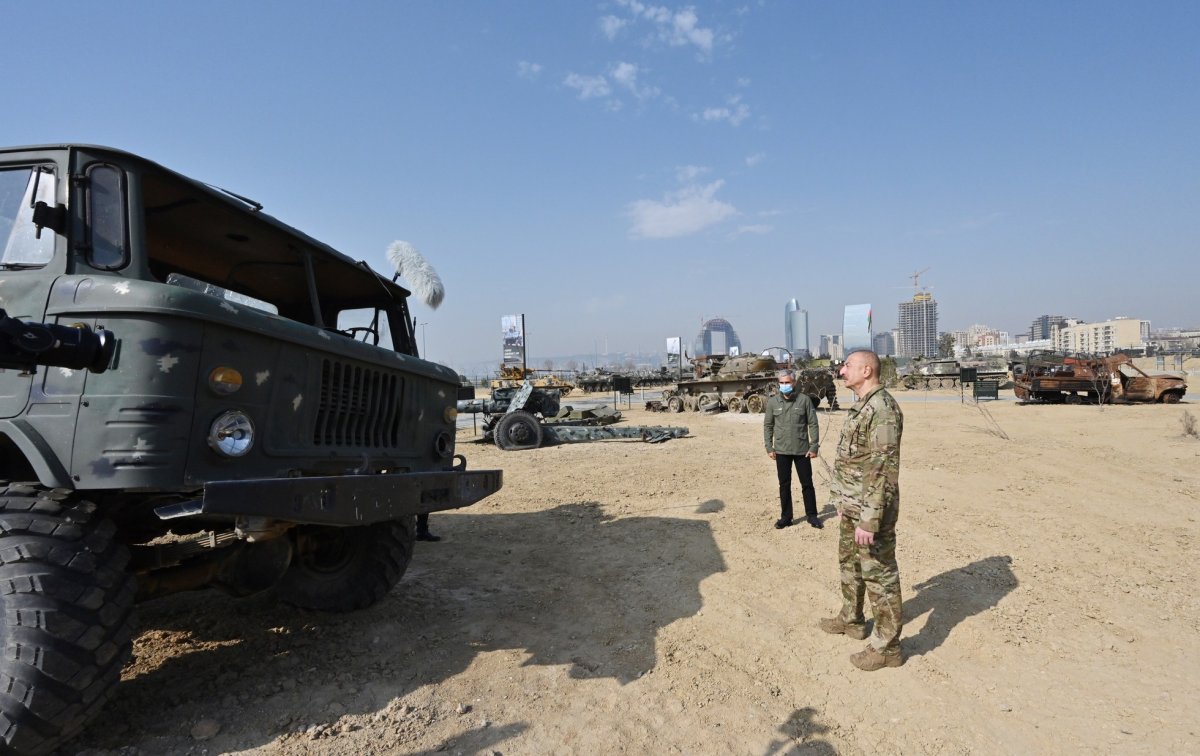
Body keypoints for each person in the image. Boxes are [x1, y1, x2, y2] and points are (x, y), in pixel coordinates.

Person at [818, 349, 905, 671]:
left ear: (867, 370)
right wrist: (843, 502)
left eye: (848, 366)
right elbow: (853, 461)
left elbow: (882, 468)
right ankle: (852, 619)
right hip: (853, 505)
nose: (842, 371)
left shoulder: (882, 410)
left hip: (872, 511)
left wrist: (869, 521)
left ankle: (887, 647)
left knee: (879, 576)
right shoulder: (862, 407)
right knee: (850, 564)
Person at [763, 369, 821, 530]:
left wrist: (814, 445)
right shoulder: (773, 402)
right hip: (781, 451)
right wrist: (769, 446)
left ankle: (812, 516)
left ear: (794, 383)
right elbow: (768, 425)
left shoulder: (804, 400)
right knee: (784, 485)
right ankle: (786, 517)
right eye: (781, 383)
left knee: (807, 484)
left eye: (787, 382)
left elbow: (813, 423)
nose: (784, 385)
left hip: (802, 450)